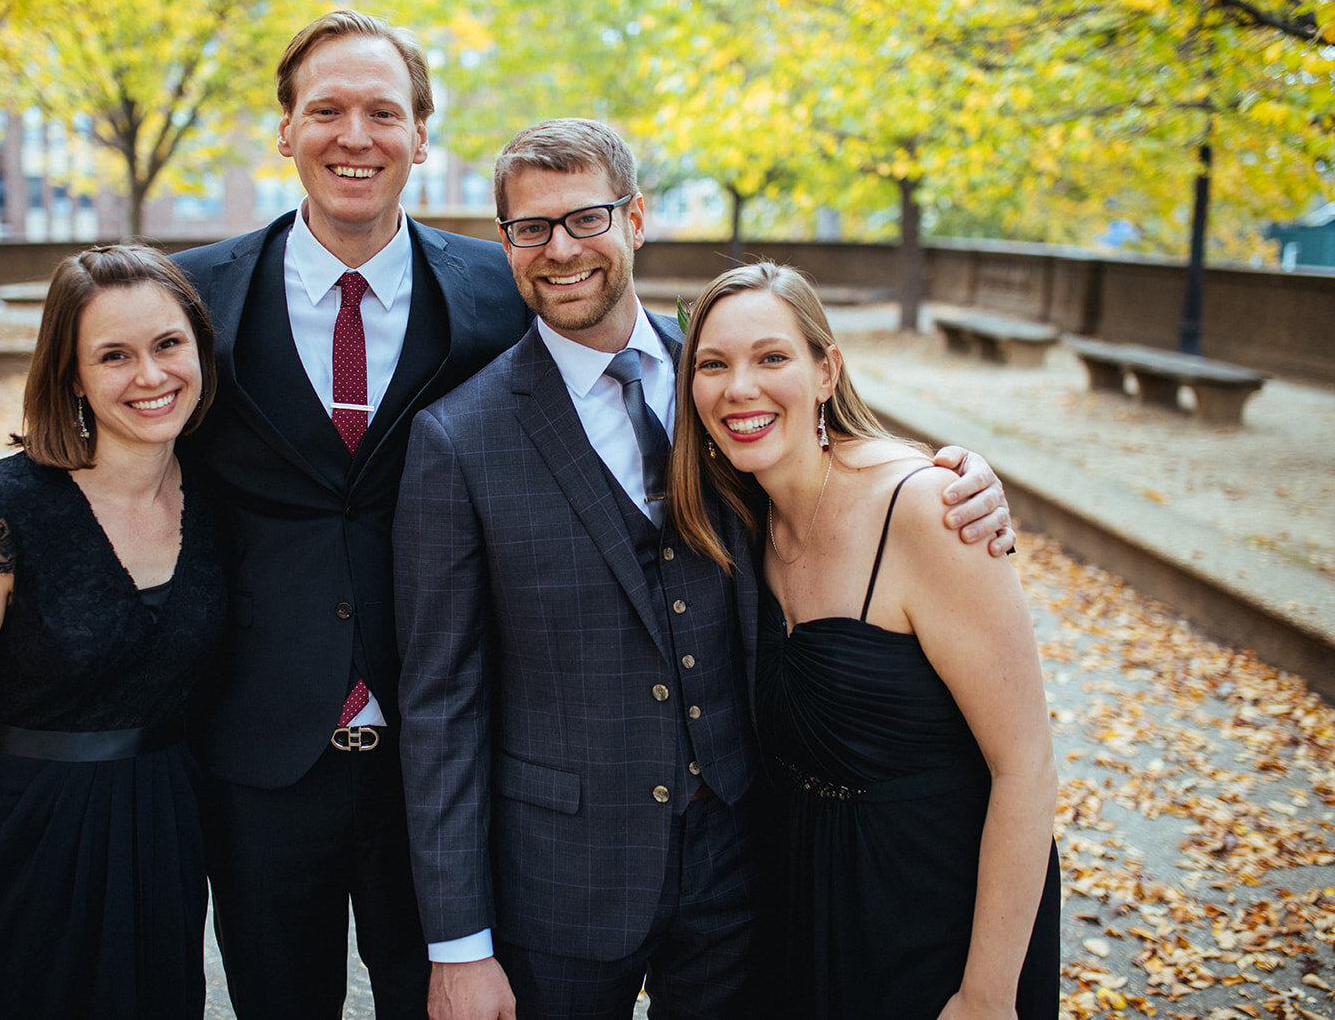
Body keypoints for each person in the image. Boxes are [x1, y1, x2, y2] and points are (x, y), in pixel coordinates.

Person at [0, 10, 530, 1019]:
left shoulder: (502, 292)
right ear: (284, 130)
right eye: (325, 110)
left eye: (381, 111)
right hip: (251, 754)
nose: (352, 135)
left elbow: (608, 398)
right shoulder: (192, 296)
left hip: (443, 751)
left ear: (420, 132)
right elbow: (96, 466)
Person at [392, 119, 1017, 1020]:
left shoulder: (725, 383)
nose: (560, 248)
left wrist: (966, 478)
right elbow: (439, 703)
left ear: (637, 217)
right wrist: (459, 946)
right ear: (507, 244)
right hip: (559, 886)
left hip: (747, 865)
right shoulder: (457, 438)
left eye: (586, 217)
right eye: (530, 228)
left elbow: (847, 473)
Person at [669, 262, 1060, 1017]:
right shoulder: (739, 516)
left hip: (933, 909)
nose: (739, 388)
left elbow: (1027, 767)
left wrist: (985, 995)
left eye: (772, 357)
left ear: (827, 370)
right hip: (798, 905)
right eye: (712, 364)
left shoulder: (927, 509)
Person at [0, 244, 226, 1019]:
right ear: (72, 375)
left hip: (160, 836)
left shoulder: (219, 490)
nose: (151, 375)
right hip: (20, 840)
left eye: (168, 344)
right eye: (114, 355)